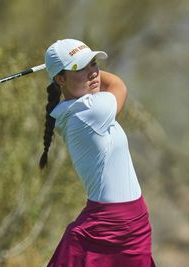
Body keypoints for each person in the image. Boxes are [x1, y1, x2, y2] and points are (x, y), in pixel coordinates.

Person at [39, 39, 155, 267]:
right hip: (112, 226)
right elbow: (118, 86)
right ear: (60, 80)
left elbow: (101, 83)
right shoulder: (91, 111)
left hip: (131, 222)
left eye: (93, 63)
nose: (93, 72)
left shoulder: (79, 109)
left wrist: (74, 68)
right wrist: (75, 67)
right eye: (80, 68)